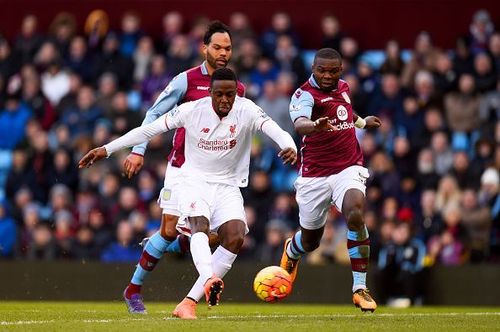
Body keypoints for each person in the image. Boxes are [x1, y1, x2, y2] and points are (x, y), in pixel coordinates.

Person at [79, 68, 297, 319]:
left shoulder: (246, 108)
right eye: (220, 95)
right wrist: (106, 149)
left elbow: (274, 128)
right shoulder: (192, 110)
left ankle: (189, 302)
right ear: (210, 94)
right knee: (198, 226)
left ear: (236, 94)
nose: (225, 100)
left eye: (230, 95)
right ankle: (208, 279)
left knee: (235, 236)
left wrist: (288, 145)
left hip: (227, 185)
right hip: (193, 181)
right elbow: (148, 129)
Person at [119, 21, 245, 315]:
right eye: (217, 47)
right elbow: (154, 112)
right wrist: (138, 150)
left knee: (215, 234)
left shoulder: (235, 87)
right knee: (166, 229)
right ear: (204, 48)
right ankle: (133, 289)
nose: (223, 52)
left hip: (217, 174)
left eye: (227, 48)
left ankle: (179, 244)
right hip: (182, 167)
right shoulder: (185, 81)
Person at [280, 48, 381, 312]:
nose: (327, 75)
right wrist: (314, 126)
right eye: (321, 70)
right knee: (312, 241)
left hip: (348, 167)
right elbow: (300, 123)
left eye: (332, 71)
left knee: (355, 213)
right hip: (314, 175)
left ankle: (359, 288)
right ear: (313, 69)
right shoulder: (304, 95)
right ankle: (292, 250)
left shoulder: (344, 87)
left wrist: (362, 123)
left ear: (340, 70)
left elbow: (346, 112)